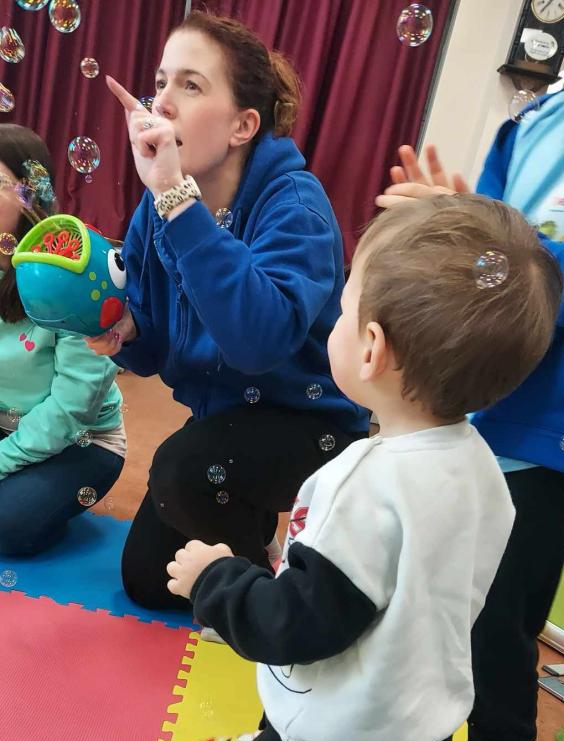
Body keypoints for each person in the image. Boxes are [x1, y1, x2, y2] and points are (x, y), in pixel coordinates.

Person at [165, 195, 563, 741]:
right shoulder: (481, 465)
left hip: (331, 735)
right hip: (418, 725)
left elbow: (298, 625)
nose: (336, 321)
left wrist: (216, 579)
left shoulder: (365, 481)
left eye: (344, 308)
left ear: (372, 350)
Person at [378, 0, 564, 741]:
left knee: (499, 610)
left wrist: (511, 253)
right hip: (470, 393)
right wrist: (456, 223)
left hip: (559, 435)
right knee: (396, 566)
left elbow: (521, 261)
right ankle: (331, 723)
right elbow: (491, 251)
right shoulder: (542, 114)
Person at [88, 11, 367, 616]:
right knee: (147, 581)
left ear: (244, 125)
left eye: (190, 85)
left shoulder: (294, 204)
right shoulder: (157, 203)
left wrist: (177, 203)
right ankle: (259, 537)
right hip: (227, 426)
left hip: (315, 428)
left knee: (182, 469)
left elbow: (256, 342)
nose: (162, 101)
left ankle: (267, 598)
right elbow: (155, 344)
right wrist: (125, 333)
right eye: (161, 82)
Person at [0, 125, 124, 558]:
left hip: (83, 440)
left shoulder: (70, 273)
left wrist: (2, 460)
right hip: (9, 423)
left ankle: (46, 500)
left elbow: (72, 406)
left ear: (29, 196)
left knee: (9, 528)